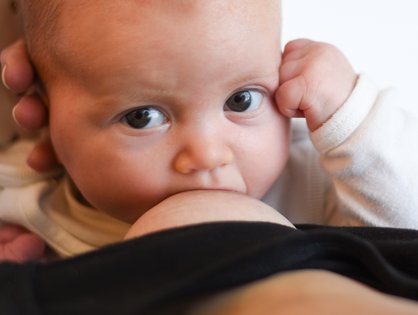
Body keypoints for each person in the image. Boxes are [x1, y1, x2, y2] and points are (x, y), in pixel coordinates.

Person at [1, 0, 418, 261]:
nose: (206, 154)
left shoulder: (317, 179)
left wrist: (351, 119)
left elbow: (403, 235)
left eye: (241, 100)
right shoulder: (33, 198)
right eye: (142, 117)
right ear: (47, 113)